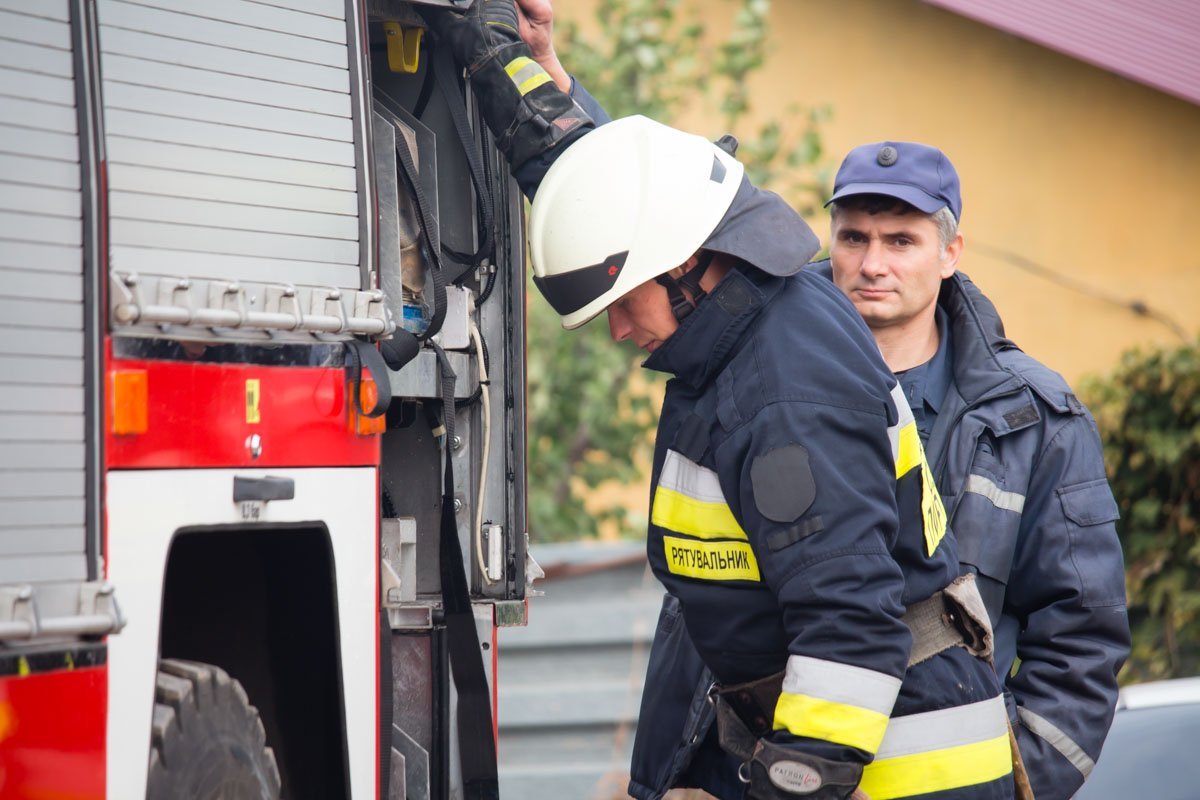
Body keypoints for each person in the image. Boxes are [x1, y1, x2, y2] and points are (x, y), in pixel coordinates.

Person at [420, 4, 1017, 799]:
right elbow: (617, 201)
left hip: (894, 773)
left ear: (690, 266)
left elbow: (850, 634)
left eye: (625, 302)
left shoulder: (784, 400)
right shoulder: (741, 300)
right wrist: (504, 53)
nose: (620, 331)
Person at [628, 141, 1132, 800]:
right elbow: (651, 213)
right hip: (745, 774)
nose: (871, 264)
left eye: (900, 241)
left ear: (951, 253)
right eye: (853, 237)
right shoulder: (739, 356)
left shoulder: (1034, 420)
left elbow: (1082, 636)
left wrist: (1012, 783)